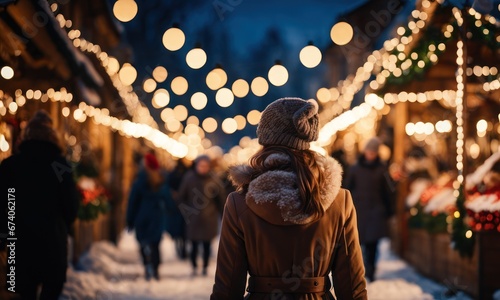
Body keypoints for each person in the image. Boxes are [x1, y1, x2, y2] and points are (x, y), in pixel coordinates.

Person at [211, 98, 367, 299]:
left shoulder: (239, 203)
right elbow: (352, 284)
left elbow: (228, 285)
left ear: (265, 140)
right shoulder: (340, 200)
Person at [0, 110, 79, 299]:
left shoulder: (11, 165)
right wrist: (65, 225)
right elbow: (70, 204)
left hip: (19, 242)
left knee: (24, 291)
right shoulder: (60, 166)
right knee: (52, 288)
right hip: (52, 240)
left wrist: (5, 232)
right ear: (52, 136)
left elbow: (3, 202)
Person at [345, 137, 394, 282]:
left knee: (372, 243)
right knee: (357, 243)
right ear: (364, 151)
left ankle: (371, 270)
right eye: (369, 151)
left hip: (375, 210)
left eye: (373, 152)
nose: (370, 154)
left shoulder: (382, 169)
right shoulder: (355, 169)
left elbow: (388, 191)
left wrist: (389, 210)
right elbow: (347, 189)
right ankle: (359, 269)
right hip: (359, 210)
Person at [177, 155, 225, 276]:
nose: (203, 168)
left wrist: (222, 214)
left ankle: (204, 266)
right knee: (193, 244)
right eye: (201, 165)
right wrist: (186, 211)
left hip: (209, 218)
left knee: (207, 244)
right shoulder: (189, 178)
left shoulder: (214, 180)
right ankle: (194, 266)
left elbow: (221, 199)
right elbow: (181, 197)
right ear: (197, 166)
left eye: (205, 166)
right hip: (193, 217)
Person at [126, 151, 171, 280]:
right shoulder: (161, 179)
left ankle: (146, 264)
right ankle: (155, 269)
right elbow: (167, 198)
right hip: (157, 216)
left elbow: (133, 201)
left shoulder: (140, 180)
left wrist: (130, 219)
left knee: (142, 242)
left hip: (142, 216)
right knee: (155, 244)